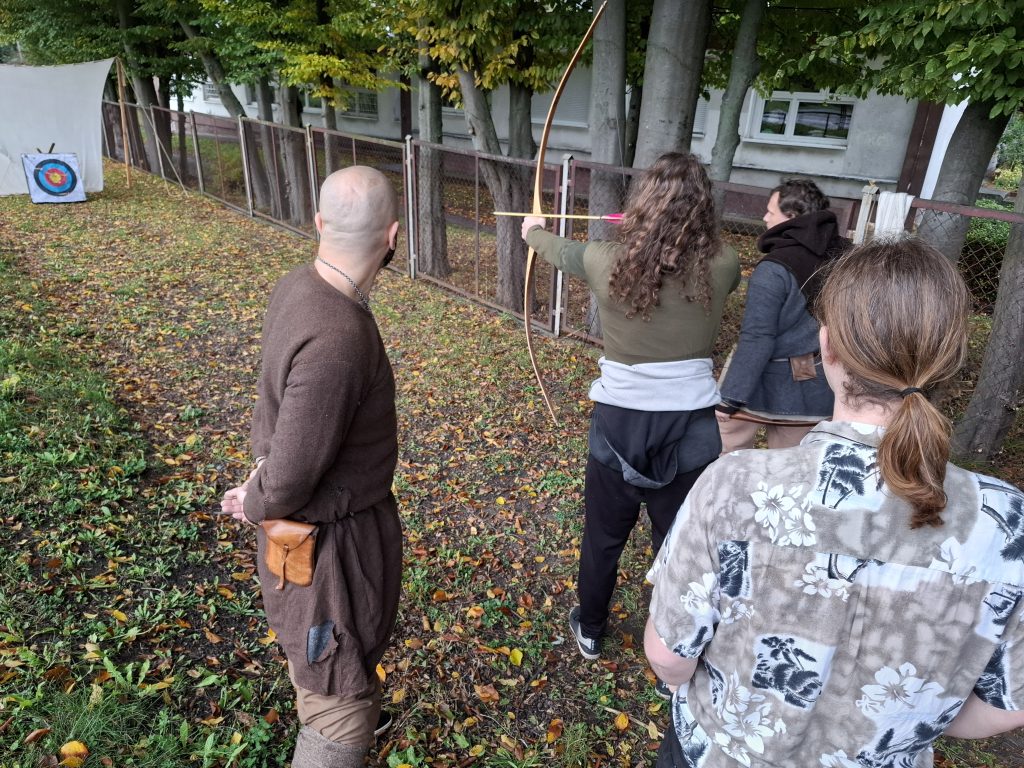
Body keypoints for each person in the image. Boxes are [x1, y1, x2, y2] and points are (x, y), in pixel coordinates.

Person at [644, 237, 1024, 767]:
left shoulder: (734, 486)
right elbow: (1005, 708)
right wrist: (901, 726)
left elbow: (669, 656)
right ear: (950, 360)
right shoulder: (1007, 522)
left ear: (828, 347)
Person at [520, 152, 740, 670]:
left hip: (620, 424)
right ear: (703, 209)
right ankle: (675, 637)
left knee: (603, 538)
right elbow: (691, 261)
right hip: (691, 428)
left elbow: (560, 251)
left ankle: (592, 627)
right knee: (679, 541)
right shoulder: (724, 265)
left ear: (643, 203)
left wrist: (533, 231)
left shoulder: (604, 260)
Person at [220, 166, 402, 768]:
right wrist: (258, 497)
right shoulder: (339, 338)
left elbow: (279, 417)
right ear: (392, 236)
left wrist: (258, 483)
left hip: (315, 537)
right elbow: (291, 475)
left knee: (323, 665)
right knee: (337, 698)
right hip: (329, 555)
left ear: (319, 223)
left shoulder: (298, 284)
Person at [716, 178, 849, 452]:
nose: (765, 218)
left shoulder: (774, 268)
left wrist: (730, 398)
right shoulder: (847, 259)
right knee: (792, 467)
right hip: (817, 385)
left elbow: (757, 337)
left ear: (792, 217)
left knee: (727, 455)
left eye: (770, 212)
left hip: (761, 381)